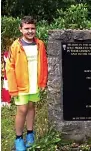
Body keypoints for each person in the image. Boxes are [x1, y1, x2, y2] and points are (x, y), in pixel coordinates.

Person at [6, 16, 48, 150]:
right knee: (22, 109)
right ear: (21, 29)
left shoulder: (40, 44)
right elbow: (9, 67)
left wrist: (42, 81)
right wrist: (13, 88)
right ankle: (18, 137)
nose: (30, 31)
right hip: (20, 85)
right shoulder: (16, 45)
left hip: (34, 84)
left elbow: (44, 63)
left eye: (32, 28)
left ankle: (30, 134)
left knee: (31, 107)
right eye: (27, 28)